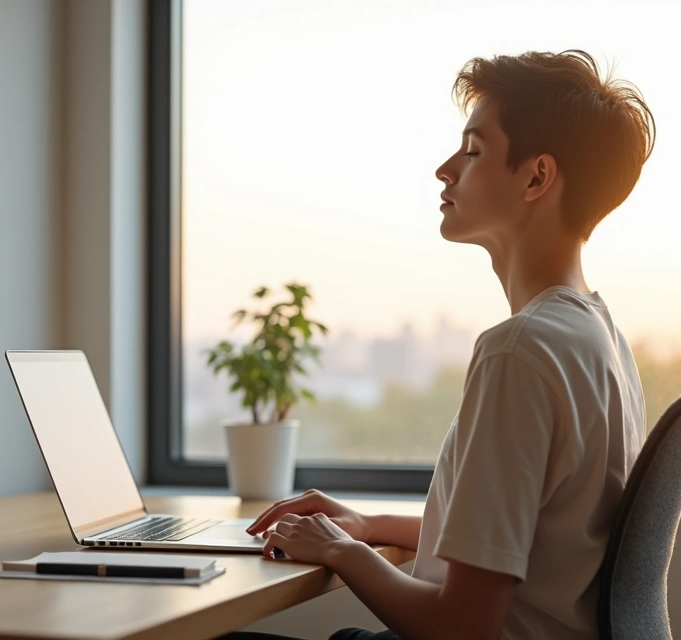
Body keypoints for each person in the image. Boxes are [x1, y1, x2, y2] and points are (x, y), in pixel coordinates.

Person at [225, 49, 654, 640]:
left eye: (473, 151)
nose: (445, 169)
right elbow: (525, 534)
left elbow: (462, 627)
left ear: (537, 177)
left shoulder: (520, 351)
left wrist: (342, 552)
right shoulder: (595, 333)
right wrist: (366, 523)